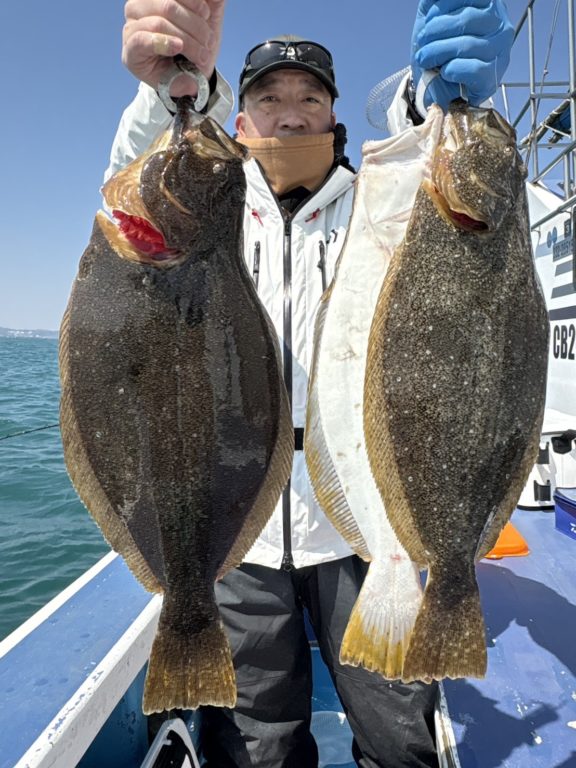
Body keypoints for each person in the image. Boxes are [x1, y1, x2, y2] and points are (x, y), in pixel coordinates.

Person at [111, 2, 515, 766]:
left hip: (364, 521)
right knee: (256, 750)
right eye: (269, 97)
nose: (290, 114)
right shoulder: (207, 209)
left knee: (402, 741)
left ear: (335, 114)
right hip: (243, 532)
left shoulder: (381, 201)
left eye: (309, 98)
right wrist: (168, 93)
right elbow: (140, 192)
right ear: (240, 115)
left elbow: (436, 168)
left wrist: (441, 95)